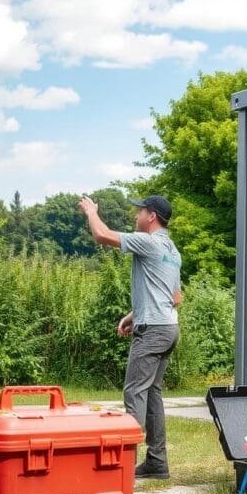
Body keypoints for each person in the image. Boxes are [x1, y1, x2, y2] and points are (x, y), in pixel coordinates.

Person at [79, 193, 182, 478]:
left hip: (152, 332)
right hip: (169, 328)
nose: (135, 216)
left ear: (151, 216)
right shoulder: (172, 251)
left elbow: (101, 235)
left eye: (139, 212)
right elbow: (175, 297)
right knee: (152, 394)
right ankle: (156, 463)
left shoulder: (147, 242)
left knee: (134, 392)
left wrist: (91, 210)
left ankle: (122, 465)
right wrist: (133, 315)